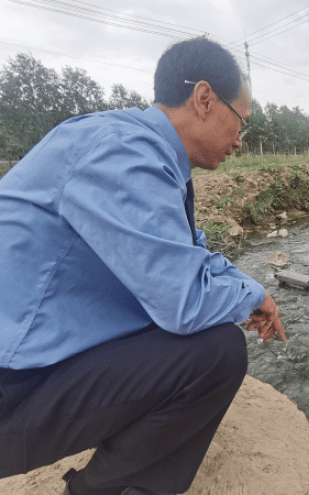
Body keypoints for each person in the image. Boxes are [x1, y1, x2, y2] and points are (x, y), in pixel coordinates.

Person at [0, 38, 286, 495]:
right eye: (241, 125)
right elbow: (185, 302)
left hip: (26, 370)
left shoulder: (134, 146)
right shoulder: (123, 154)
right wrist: (254, 296)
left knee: (183, 330)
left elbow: (187, 255)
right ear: (205, 99)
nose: (239, 141)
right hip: (11, 390)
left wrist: (245, 285)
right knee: (216, 351)